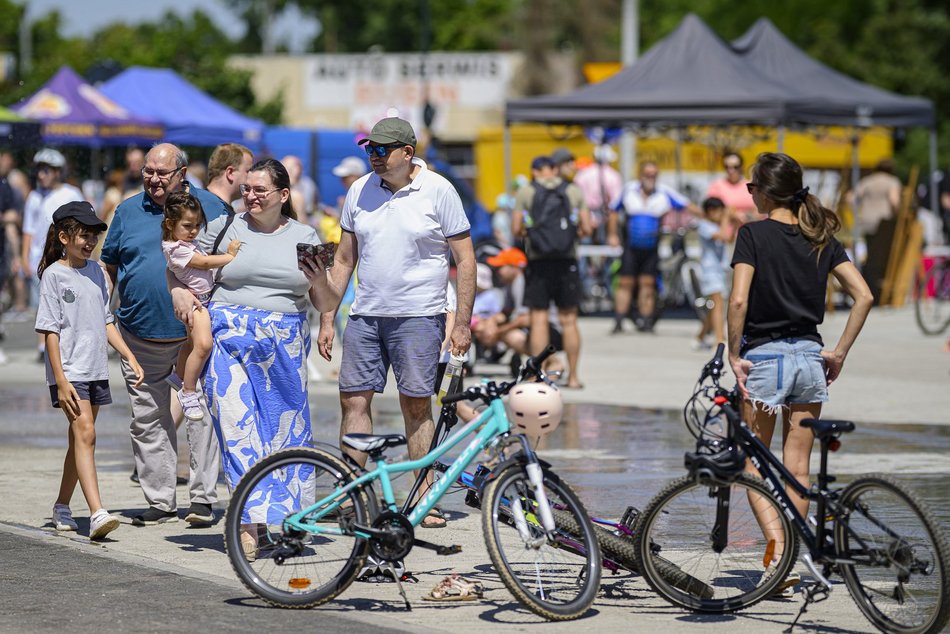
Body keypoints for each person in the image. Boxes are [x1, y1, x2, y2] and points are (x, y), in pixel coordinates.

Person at [317, 117, 476, 529]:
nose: (374, 157)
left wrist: (461, 322)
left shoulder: (439, 190)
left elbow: (465, 260)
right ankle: (351, 494)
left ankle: (424, 498)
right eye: (370, 149)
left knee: (416, 404)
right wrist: (328, 316)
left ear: (408, 152)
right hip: (367, 315)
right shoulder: (359, 189)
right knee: (353, 400)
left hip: (419, 315)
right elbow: (344, 260)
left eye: (383, 150)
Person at [171, 158, 333, 559]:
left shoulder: (304, 235)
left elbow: (325, 301)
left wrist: (318, 280)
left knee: (285, 434)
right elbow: (180, 262)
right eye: (247, 188)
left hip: (285, 342)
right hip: (229, 337)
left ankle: (289, 518)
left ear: (282, 195)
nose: (251, 195)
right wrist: (179, 292)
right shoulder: (225, 226)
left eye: (261, 190)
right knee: (238, 428)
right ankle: (247, 523)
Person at [728, 152, 873, 589]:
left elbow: (738, 301)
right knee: (798, 467)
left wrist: (734, 354)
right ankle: (789, 554)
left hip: (765, 359)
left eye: (752, 187)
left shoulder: (752, 234)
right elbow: (863, 295)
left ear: (767, 192)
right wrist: (840, 353)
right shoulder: (820, 237)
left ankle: (778, 556)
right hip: (811, 358)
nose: (749, 193)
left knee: (753, 462)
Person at [100, 143, 225, 527]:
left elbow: (231, 260)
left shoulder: (212, 208)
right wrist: (101, 311)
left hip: (193, 335)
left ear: (182, 174)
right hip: (139, 333)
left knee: (200, 412)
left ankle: (202, 499)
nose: (153, 179)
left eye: (162, 173)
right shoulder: (126, 211)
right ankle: (160, 500)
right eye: (148, 172)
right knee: (148, 418)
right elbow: (109, 265)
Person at [35, 201, 144, 540]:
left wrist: (129, 355)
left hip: (95, 367)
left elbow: (106, 321)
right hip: (70, 371)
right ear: (64, 237)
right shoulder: (54, 275)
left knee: (79, 439)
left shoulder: (97, 272)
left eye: (93, 236)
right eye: (83, 236)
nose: (90, 242)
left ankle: (62, 506)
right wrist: (61, 380)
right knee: (87, 435)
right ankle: (97, 513)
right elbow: (50, 331)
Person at [511, 155, 591, 389]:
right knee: (569, 320)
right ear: (555, 170)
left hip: (539, 262)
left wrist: (536, 236)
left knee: (539, 320)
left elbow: (516, 228)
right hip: (567, 262)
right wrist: (568, 237)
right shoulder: (573, 191)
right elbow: (587, 227)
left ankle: (538, 376)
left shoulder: (526, 192)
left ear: (535, 171)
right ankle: (574, 377)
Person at [161, 191, 241, 421]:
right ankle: (188, 392)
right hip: (197, 303)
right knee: (204, 345)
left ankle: (178, 375)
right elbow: (203, 262)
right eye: (187, 225)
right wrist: (229, 257)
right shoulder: (176, 249)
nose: (194, 230)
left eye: (197, 225)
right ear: (170, 224)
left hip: (201, 300)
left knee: (190, 343)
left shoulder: (185, 242)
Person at [608, 161, 698, 333]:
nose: (650, 178)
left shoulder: (664, 193)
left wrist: (711, 217)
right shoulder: (628, 190)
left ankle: (646, 321)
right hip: (630, 246)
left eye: (653, 175)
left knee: (647, 283)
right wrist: (612, 234)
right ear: (640, 175)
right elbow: (613, 210)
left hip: (651, 247)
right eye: (647, 174)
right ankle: (619, 320)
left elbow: (686, 205)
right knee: (625, 283)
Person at [21, 149, 84, 360]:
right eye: (39, 170)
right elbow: (28, 229)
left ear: (58, 172)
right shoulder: (34, 196)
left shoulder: (71, 193)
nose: (41, 175)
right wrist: (24, 256)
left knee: (67, 301)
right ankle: (44, 347)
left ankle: (67, 343)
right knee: (43, 303)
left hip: (65, 257)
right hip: (39, 258)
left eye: (46, 170)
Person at [851, 159, 902, 302]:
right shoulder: (892, 181)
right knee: (882, 259)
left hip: (867, 222)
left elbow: (851, 197)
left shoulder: (868, 181)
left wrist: (856, 213)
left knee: (871, 256)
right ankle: (878, 293)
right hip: (884, 224)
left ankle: (870, 288)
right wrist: (898, 215)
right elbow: (894, 200)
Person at [693, 197, 735, 350]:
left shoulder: (717, 226)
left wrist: (735, 223)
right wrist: (726, 218)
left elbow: (729, 239)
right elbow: (722, 236)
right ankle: (719, 340)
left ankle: (701, 336)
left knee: (714, 307)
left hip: (721, 270)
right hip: (709, 271)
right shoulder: (704, 225)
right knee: (718, 304)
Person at [705, 152, 757, 222]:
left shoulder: (750, 185)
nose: (731, 170)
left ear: (741, 167)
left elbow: (759, 209)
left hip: (749, 227)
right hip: (726, 230)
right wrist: (733, 215)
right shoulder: (717, 185)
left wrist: (748, 217)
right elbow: (711, 211)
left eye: (735, 167)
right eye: (727, 167)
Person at [205, 143, 253, 213]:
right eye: (248, 171)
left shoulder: (200, 203)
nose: (251, 178)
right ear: (230, 173)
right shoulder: (213, 211)